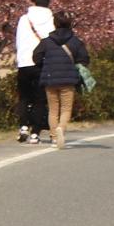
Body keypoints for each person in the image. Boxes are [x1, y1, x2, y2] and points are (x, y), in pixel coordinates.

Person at [31, 10, 89, 149]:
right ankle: (61, 129)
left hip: (50, 79)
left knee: (53, 109)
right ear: (70, 24)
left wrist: (45, 65)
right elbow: (84, 59)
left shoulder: (47, 42)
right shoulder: (76, 42)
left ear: (55, 24)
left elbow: (36, 57)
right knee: (66, 109)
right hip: (68, 79)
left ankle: (54, 137)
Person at [14, 0, 55, 143]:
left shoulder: (24, 19)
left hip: (24, 62)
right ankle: (35, 134)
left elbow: (18, 41)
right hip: (42, 64)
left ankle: (23, 125)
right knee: (40, 100)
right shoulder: (52, 20)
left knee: (24, 96)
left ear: (33, 2)